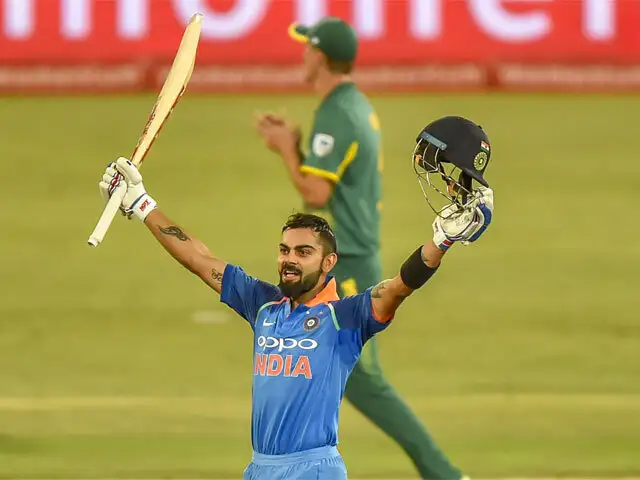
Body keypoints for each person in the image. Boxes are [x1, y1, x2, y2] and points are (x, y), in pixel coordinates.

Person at [97, 115, 494, 479]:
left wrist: (441, 242)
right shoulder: (262, 304)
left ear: (328, 263)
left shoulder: (346, 318)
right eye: (285, 250)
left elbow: (399, 286)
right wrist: (141, 203)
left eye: (304, 253)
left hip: (314, 469)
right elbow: (200, 260)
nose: (289, 260)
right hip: (259, 468)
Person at [255, 16, 475, 479]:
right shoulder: (354, 105)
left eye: (307, 48)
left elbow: (315, 192)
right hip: (354, 252)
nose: (302, 55)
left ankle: (444, 473)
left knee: (362, 381)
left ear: (319, 56)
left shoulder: (336, 112)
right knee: (357, 378)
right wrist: (297, 146)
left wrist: (285, 148)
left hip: (349, 260)